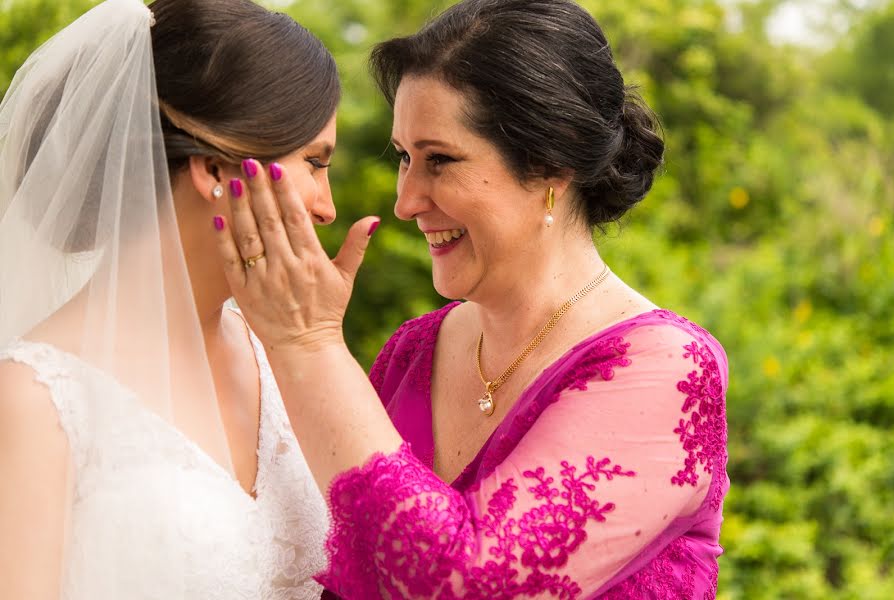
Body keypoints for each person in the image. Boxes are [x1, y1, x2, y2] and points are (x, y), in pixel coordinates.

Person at [214, 0, 729, 597]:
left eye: (440, 160)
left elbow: (472, 584)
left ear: (550, 165)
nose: (407, 199)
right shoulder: (414, 351)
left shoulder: (668, 369)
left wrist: (308, 344)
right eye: (405, 158)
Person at [0, 0, 339, 597]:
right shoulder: (34, 398)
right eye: (313, 162)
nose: (327, 205)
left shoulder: (279, 349)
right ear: (213, 167)